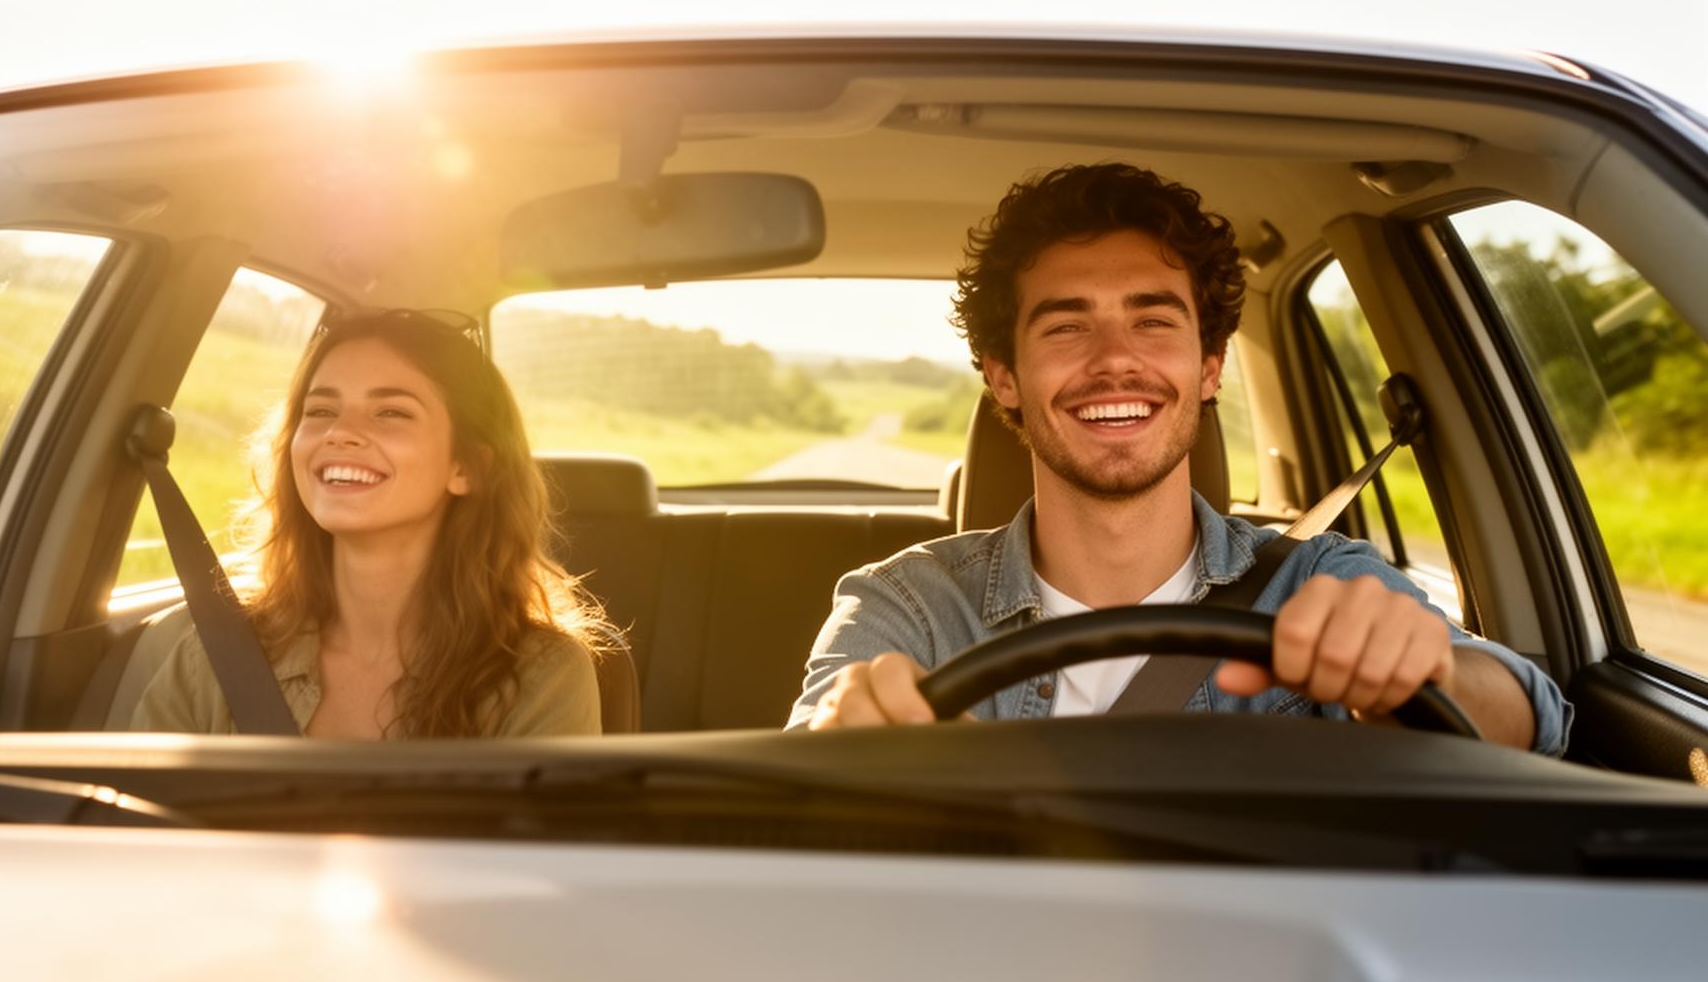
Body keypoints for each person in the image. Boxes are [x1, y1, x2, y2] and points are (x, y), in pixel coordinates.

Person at [789, 163, 1570, 754]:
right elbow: (803, 782)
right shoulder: (910, 606)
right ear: (1005, 378)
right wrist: (848, 742)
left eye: (1153, 322)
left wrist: (1425, 677)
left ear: (1208, 369)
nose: (1114, 360)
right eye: (1066, 326)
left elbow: (1534, 718)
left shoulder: (1317, 582)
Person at [134, 307, 605, 738]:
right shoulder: (217, 655)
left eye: (391, 412)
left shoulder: (541, 676)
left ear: (467, 467)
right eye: (320, 411)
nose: (340, 432)